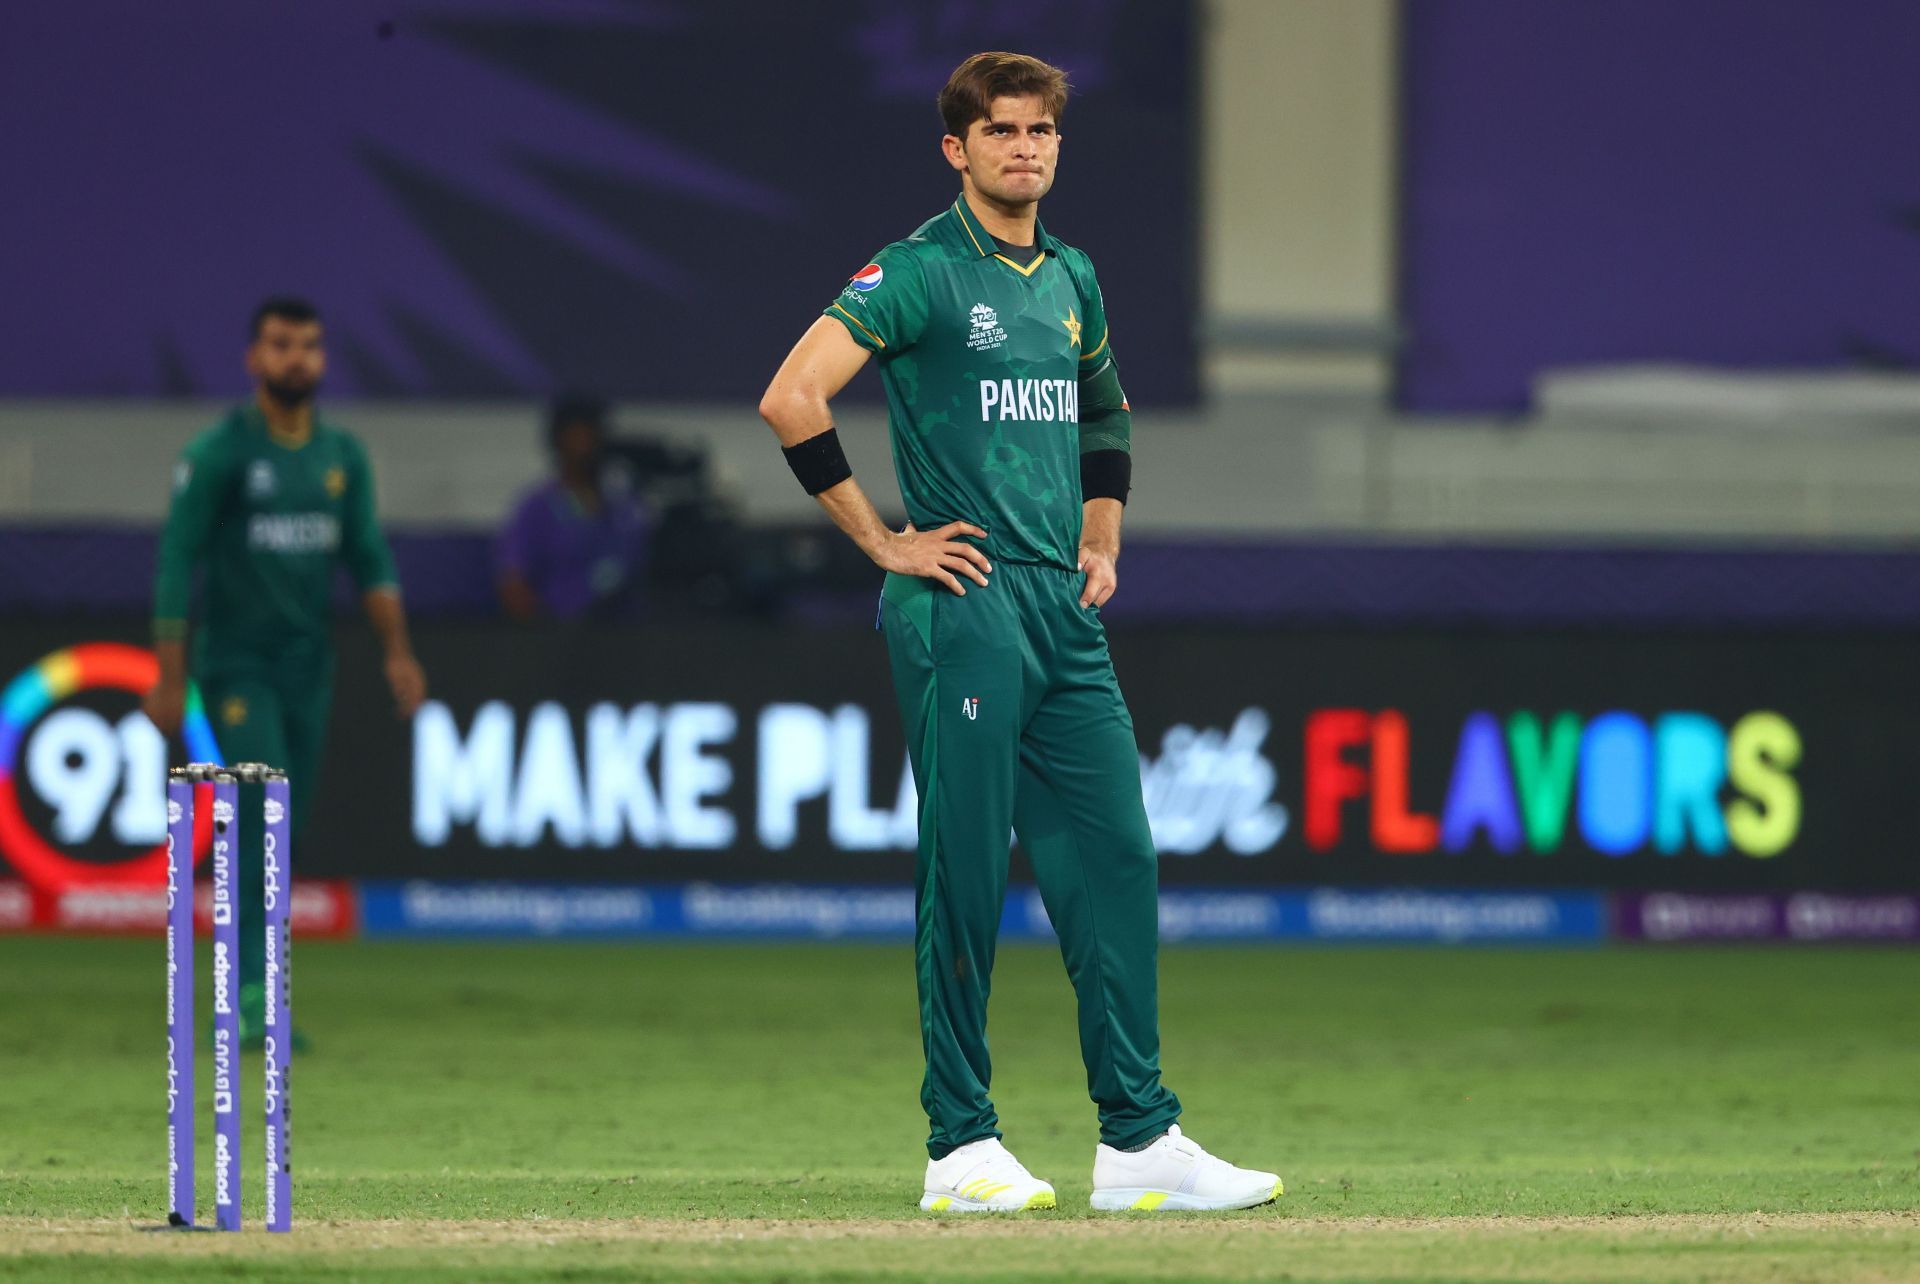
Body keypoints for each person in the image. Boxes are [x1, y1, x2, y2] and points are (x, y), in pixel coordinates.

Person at [758, 52, 1281, 1213]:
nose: (1025, 150)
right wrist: (883, 541)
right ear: (957, 147)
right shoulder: (918, 271)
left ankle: (1141, 1144)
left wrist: (1105, 536)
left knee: (1118, 859)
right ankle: (960, 1148)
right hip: (965, 600)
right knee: (966, 867)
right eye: (1001, 131)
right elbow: (794, 397)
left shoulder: (1072, 278)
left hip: (1062, 604)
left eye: (1042, 132)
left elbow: (1104, 412)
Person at [145, 295, 427, 1046]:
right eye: (279, 344)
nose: (294, 357)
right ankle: (251, 995)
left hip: (310, 667)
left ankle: (260, 988)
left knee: (286, 828)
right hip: (239, 666)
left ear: (322, 358)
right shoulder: (219, 454)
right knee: (259, 816)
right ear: (253, 358)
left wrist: (397, 653)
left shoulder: (340, 459)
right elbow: (178, 560)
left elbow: (369, 558)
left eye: (307, 345)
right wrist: (171, 676)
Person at [496, 395, 651, 621]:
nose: (587, 446)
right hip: (562, 637)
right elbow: (513, 582)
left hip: (626, 636)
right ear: (558, 441)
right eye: (578, 436)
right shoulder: (537, 508)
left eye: (594, 435)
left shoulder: (626, 507)